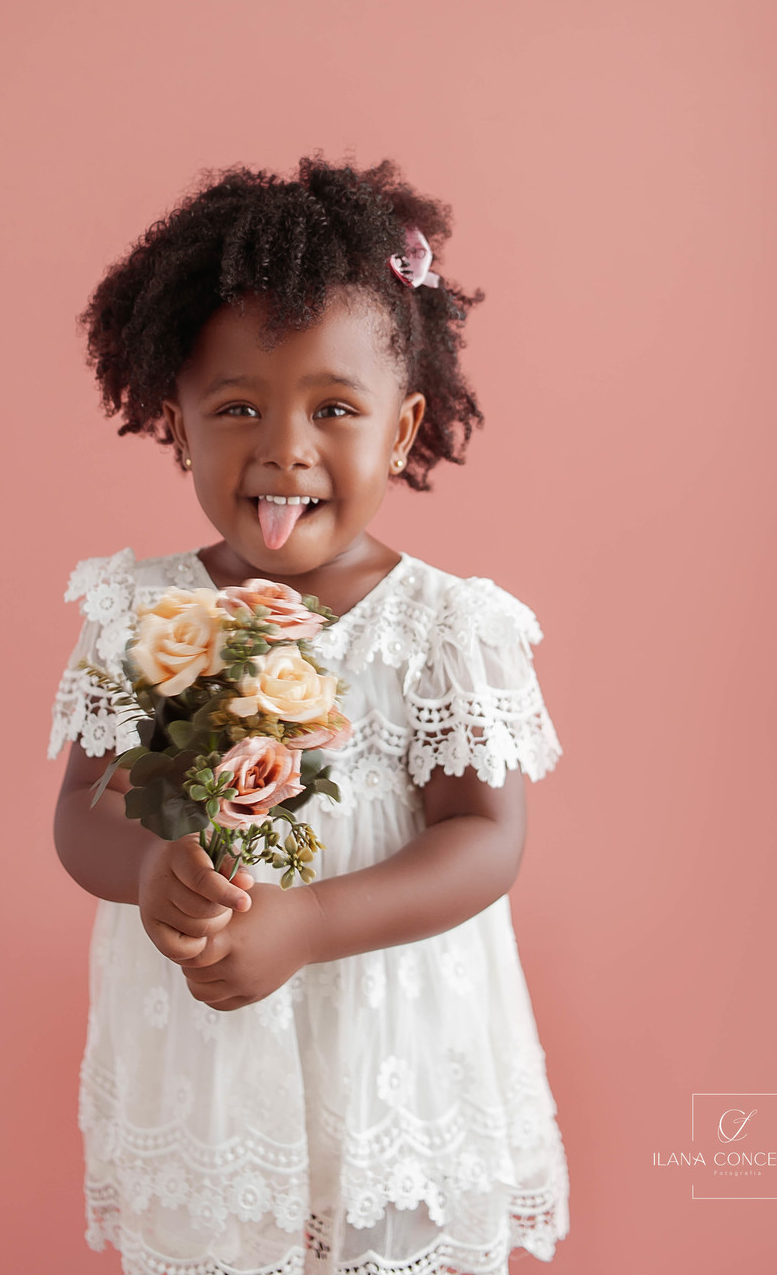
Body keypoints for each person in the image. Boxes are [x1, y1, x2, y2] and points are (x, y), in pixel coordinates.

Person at [49, 155, 570, 1273]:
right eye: (237, 407)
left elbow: (487, 836)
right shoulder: (143, 613)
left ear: (401, 426)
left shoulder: (445, 628)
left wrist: (308, 924)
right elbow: (82, 811)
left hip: (392, 1026)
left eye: (334, 408)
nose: (285, 446)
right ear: (176, 425)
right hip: (209, 1031)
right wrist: (149, 870)